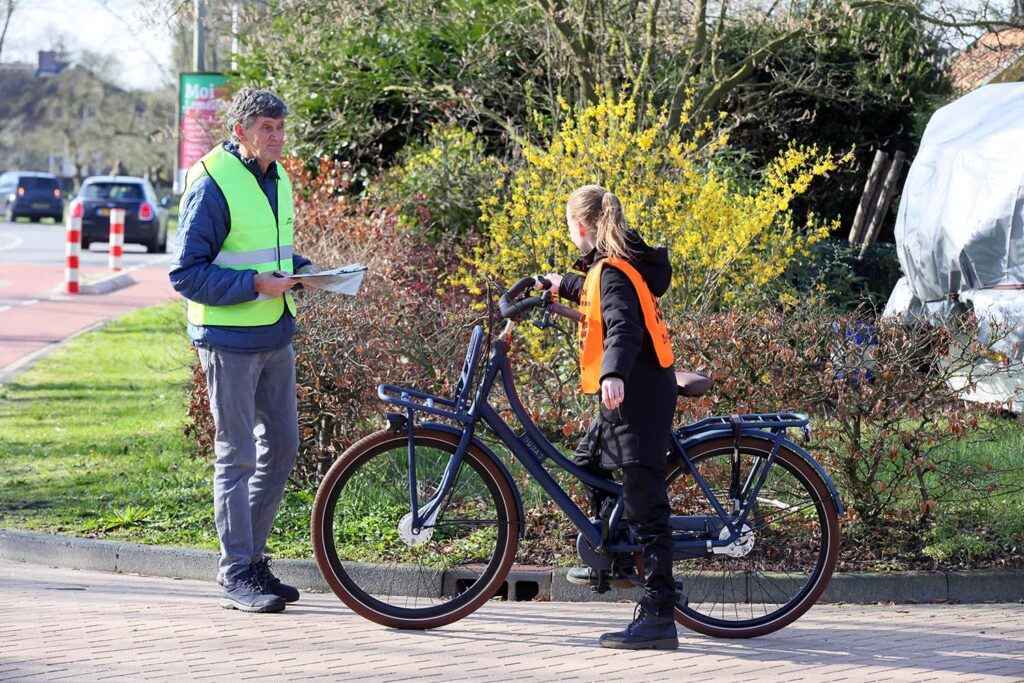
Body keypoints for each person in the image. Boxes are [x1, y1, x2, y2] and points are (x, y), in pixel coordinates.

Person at [169, 87, 318, 614]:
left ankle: (251, 561)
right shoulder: (212, 184)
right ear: (241, 132)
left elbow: (266, 248)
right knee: (237, 456)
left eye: (281, 128)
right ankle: (236, 572)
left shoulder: (278, 178)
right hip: (228, 343)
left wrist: (304, 271)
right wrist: (255, 283)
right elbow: (185, 273)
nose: (277, 137)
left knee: (281, 449)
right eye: (266, 129)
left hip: (276, 335)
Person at [542, 184, 678, 650]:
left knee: (646, 500)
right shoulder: (614, 264)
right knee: (588, 461)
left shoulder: (613, 271)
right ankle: (617, 555)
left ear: (580, 227)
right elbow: (601, 294)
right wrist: (561, 284)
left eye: (568, 228)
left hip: (635, 394)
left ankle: (660, 614)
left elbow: (622, 324)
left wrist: (613, 373)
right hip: (634, 389)